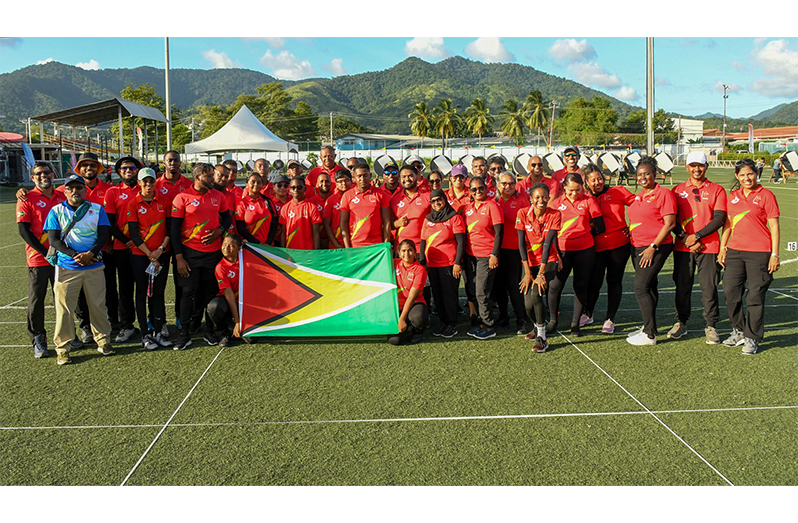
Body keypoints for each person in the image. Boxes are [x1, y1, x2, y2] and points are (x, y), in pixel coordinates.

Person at [44, 174, 114, 365]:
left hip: (94, 265)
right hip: (67, 266)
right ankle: (63, 348)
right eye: (70, 188)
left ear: (85, 190)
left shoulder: (97, 209)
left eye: (78, 188)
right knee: (64, 309)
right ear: (65, 191)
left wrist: (90, 254)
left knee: (98, 305)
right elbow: (53, 240)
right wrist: (76, 254)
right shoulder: (56, 210)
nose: (75, 191)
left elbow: (103, 235)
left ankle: (103, 340)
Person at [718, 158, 780, 355]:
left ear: (756, 173)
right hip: (735, 252)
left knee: (755, 296)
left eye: (750, 174)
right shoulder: (733, 196)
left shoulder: (766, 195)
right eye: (743, 175)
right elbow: (728, 224)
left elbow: (774, 227)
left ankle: (752, 337)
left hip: (760, 253)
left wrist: (775, 254)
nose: (747, 178)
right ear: (737, 176)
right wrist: (723, 247)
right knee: (730, 292)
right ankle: (738, 330)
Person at [667, 151, 728, 344]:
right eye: (693, 165)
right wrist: (685, 238)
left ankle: (711, 325)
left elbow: (719, 219)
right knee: (682, 286)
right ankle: (681, 322)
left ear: (706, 166)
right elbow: (672, 219)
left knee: (709, 288)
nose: (697, 169)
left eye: (700, 165)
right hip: (683, 247)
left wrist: (697, 236)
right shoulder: (677, 190)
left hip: (709, 247)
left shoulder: (717, 190)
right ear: (687, 167)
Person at [171, 163, 232, 350]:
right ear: (198, 177)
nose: (213, 179)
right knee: (187, 294)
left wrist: (219, 230)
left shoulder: (218, 196)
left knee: (210, 293)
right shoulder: (182, 198)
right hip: (189, 254)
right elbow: (174, 230)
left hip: (213, 254)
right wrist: (179, 257)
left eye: (213, 175)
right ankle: (185, 334)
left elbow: (227, 218)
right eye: (209, 176)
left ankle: (209, 331)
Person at [625, 156, 676, 346]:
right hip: (637, 246)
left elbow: (670, 224)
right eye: (639, 174)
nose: (643, 177)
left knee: (641, 288)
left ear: (654, 174)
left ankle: (649, 335)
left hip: (654, 247)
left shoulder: (664, 194)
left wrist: (653, 247)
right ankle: (649, 327)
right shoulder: (640, 195)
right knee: (650, 286)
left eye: (647, 174)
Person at [17, 161, 65, 358]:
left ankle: (65, 336)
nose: (43, 176)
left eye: (47, 172)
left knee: (62, 298)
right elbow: (23, 231)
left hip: (62, 257)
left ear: (53, 175)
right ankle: (38, 337)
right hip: (38, 258)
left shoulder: (62, 195)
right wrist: (46, 252)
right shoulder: (26, 198)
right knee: (37, 300)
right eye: (38, 174)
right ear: (32, 178)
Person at [546, 172, 604, 337]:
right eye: (570, 190)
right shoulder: (556, 203)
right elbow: (551, 232)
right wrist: (556, 252)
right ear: (564, 187)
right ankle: (553, 320)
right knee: (555, 286)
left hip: (585, 251)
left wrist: (583, 234)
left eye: (578, 190)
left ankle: (575, 324)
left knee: (580, 286)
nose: (574, 193)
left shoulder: (588, 201)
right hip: (562, 251)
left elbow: (600, 226)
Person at [582, 164, 635, 334]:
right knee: (594, 282)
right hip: (595, 247)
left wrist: (633, 226)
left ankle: (610, 318)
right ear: (586, 182)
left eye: (599, 178)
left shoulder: (618, 191)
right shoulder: (584, 197)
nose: (597, 182)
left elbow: (640, 206)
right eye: (593, 180)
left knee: (614, 281)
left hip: (618, 245)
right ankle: (588, 313)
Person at [126, 168, 173, 350]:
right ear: (139, 183)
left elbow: (170, 229)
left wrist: (160, 250)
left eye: (151, 181)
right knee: (141, 293)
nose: (148, 184)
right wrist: (150, 255)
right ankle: (145, 334)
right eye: (144, 181)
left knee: (159, 293)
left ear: (155, 182)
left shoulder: (164, 201)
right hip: (141, 256)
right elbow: (134, 234)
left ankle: (158, 331)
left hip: (161, 254)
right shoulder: (133, 203)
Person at [103, 156, 143, 344]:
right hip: (123, 247)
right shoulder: (113, 192)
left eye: (132, 168)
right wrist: (127, 241)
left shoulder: (146, 188)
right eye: (124, 168)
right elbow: (109, 223)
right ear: (119, 171)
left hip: (146, 248)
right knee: (126, 289)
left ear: (138, 170)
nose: (128, 171)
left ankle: (152, 323)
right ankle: (127, 326)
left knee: (146, 288)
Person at [517, 183, 561, 353]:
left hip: (548, 261)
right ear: (531, 199)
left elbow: (548, 244)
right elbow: (521, 244)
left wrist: (541, 274)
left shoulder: (555, 214)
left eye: (544, 197)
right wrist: (528, 272)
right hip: (529, 262)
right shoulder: (522, 213)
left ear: (549, 198)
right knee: (528, 304)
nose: (541, 200)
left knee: (536, 293)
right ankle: (536, 327)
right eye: (537, 197)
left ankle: (542, 337)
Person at [420, 189, 465, 339]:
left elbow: (461, 242)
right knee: (437, 295)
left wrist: (458, 263)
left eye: (439, 199)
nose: (436, 203)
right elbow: (423, 241)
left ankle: (451, 324)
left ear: (444, 199)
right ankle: (443, 322)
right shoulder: (428, 219)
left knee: (449, 294)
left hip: (449, 263)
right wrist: (423, 261)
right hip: (432, 264)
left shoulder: (454, 218)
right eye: (433, 201)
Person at [155, 150, 192, 334]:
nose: (173, 163)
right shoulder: (155, 184)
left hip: (181, 239)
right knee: (158, 283)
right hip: (159, 240)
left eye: (176, 160)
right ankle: (157, 318)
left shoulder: (189, 184)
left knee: (181, 281)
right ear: (164, 163)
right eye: (169, 160)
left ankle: (180, 315)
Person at [463, 176, 504, 340]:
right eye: (474, 189)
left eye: (481, 188)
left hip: (486, 255)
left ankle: (489, 326)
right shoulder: (467, 208)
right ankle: (481, 323)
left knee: (482, 291)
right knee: (474, 290)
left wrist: (494, 254)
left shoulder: (492, 206)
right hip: (470, 255)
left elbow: (499, 232)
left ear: (486, 189)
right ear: (470, 192)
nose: (478, 191)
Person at [494, 171, 530, 334]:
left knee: (513, 285)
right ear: (498, 185)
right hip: (497, 249)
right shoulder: (494, 202)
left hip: (515, 249)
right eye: (504, 183)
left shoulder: (522, 201)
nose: (507, 186)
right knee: (499, 285)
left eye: (511, 183)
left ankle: (521, 319)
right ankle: (503, 316)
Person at [388, 240, 429, 345]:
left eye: (410, 250)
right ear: (398, 252)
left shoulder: (419, 270)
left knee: (418, 317)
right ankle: (406, 329)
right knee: (394, 340)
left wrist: (402, 319)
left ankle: (417, 331)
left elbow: (411, 297)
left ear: (415, 252)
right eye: (403, 251)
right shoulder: (393, 263)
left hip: (414, 304)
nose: (406, 254)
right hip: (396, 306)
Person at [339, 164, 391, 248]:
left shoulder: (381, 194)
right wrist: (347, 248)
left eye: (365, 175)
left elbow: (386, 222)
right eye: (359, 176)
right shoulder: (347, 196)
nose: (362, 179)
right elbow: (343, 223)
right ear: (354, 177)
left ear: (370, 176)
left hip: (377, 245)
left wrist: (385, 245)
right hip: (355, 245)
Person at [206, 234, 243, 347]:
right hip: (229, 300)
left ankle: (235, 326)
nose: (226, 248)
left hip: (245, 302)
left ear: (239, 248)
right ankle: (223, 333)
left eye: (231, 246)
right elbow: (229, 295)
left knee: (250, 339)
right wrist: (237, 321)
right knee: (214, 306)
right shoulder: (220, 267)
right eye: (224, 244)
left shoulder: (245, 260)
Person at [390, 165, 431, 252]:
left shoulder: (428, 196)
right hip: (401, 249)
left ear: (416, 177)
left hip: (421, 248)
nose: (407, 179)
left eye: (410, 176)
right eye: (404, 176)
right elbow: (387, 224)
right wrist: (397, 224)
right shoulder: (394, 199)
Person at [236, 172, 279, 245]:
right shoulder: (241, 204)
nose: (256, 184)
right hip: (250, 246)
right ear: (247, 184)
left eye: (259, 182)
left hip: (268, 246)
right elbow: (240, 228)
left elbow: (274, 224)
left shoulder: (268, 201)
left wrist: (268, 243)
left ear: (262, 185)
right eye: (253, 182)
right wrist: (258, 243)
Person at [280, 176, 322, 250]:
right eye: (293, 187)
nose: (296, 190)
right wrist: (283, 252)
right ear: (289, 189)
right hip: (290, 251)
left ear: (305, 189)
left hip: (308, 251)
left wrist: (315, 253)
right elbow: (283, 233)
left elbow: (316, 233)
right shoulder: (285, 208)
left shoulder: (312, 207)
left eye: (299, 187)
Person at [323, 169, 352, 249]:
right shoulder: (331, 200)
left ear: (351, 181)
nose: (343, 183)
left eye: (346, 180)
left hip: (355, 243)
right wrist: (336, 244)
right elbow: (326, 225)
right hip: (337, 245)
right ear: (336, 184)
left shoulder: (356, 197)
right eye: (340, 181)